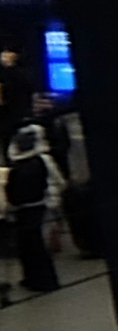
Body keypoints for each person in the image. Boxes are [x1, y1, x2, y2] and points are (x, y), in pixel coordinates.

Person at [3, 124, 56, 299]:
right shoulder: (41, 162)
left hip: (24, 210)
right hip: (40, 205)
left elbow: (13, 195)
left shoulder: (17, 170)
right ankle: (43, 279)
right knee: (36, 245)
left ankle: (37, 279)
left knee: (29, 246)